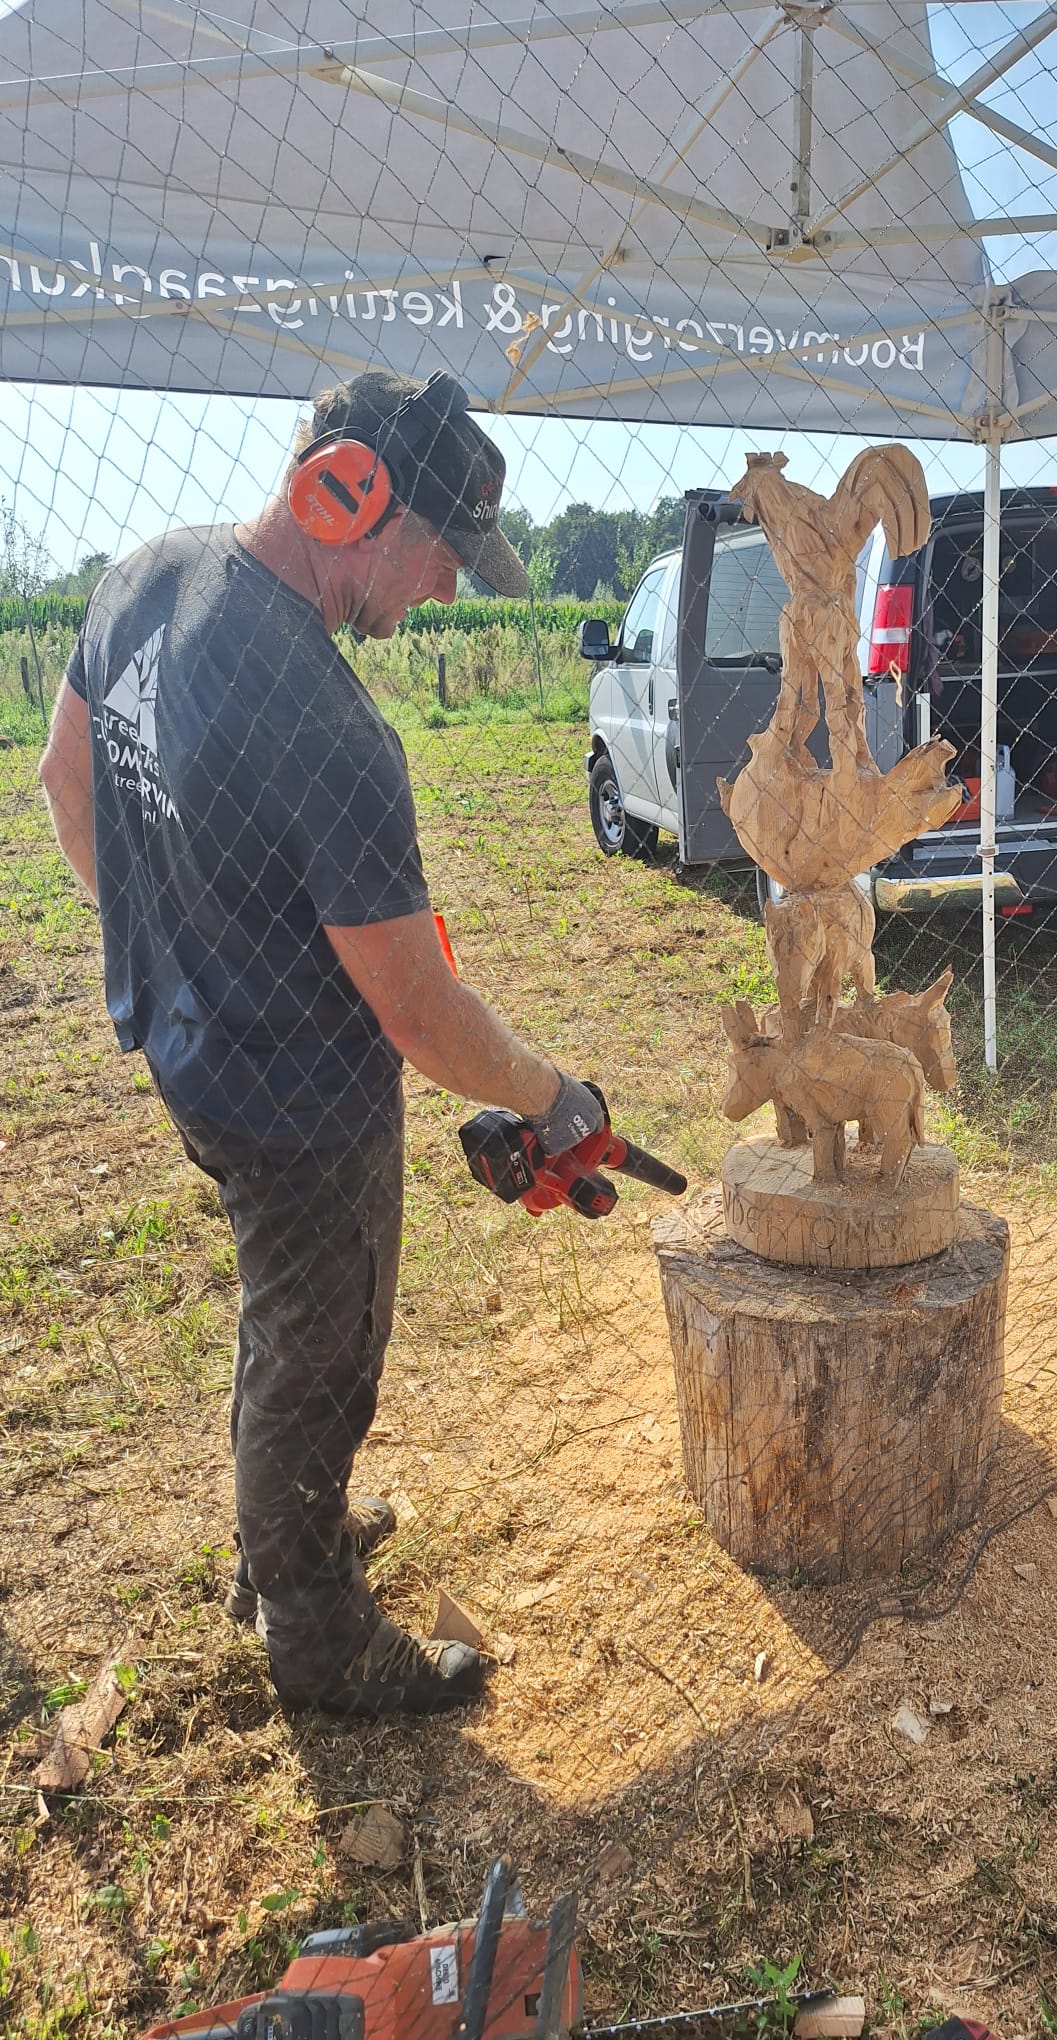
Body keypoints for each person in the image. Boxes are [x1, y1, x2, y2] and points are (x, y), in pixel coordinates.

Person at [38, 369, 609, 1717]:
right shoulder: (333, 729)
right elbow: (419, 1014)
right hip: (302, 1106)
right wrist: (553, 1095)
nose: (448, 592)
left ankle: (274, 1541)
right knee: (322, 1355)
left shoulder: (142, 580)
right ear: (352, 498)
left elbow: (66, 780)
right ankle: (318, 1638)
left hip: (191, 1052)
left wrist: (173, 946)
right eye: (443, 554)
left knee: (279, 1314)